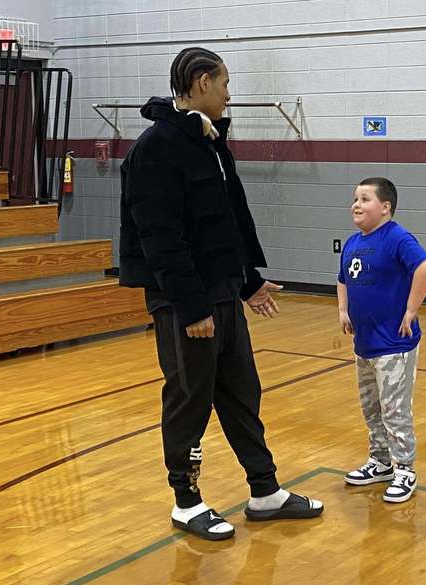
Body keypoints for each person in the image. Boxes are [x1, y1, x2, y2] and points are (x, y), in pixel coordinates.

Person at [119, 47, 323, 541]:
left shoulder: (209, 142)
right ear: (204, 82)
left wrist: (247, 282)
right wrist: (191, 306)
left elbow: (225, 224)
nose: (230, 94)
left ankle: (265, 491)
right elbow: (160, 236)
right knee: (190, 400)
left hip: (224, 296)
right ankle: (186, 501)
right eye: (226, 83)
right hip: (186, 303)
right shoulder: (156, 148)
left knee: (241, 393)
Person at [337, 177, 426, 503]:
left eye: (365, 199)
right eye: (355, 198)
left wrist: (410, 310)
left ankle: (404, 468)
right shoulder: (352, 242)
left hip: (395, 345)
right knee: (372, 408)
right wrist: (343, 310)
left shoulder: (396, 238)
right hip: (364, 345)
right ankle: (380, 461)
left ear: (385, 207)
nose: (356, 204)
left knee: (395, 410)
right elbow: (342, 279)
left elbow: (425, 266)